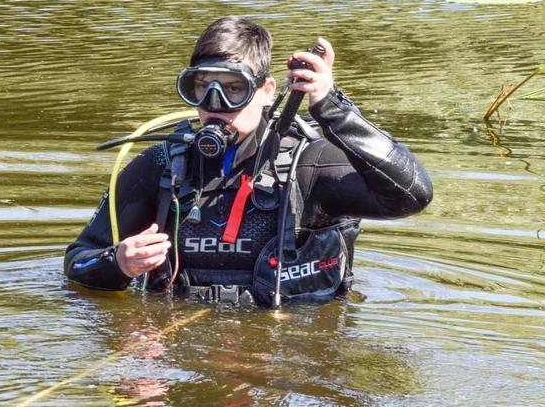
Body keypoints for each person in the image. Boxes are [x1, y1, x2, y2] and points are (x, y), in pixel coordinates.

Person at [64, 16, 432, 307]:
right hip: (182, 360)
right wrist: (118, 263)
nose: (214, 103)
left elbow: (412, 195)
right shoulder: (161, 165)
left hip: (288, 361)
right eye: (201, 87)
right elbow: (78, 262)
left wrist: (331, 106)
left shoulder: (310, 166)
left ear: (266, 90)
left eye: (233, 88)